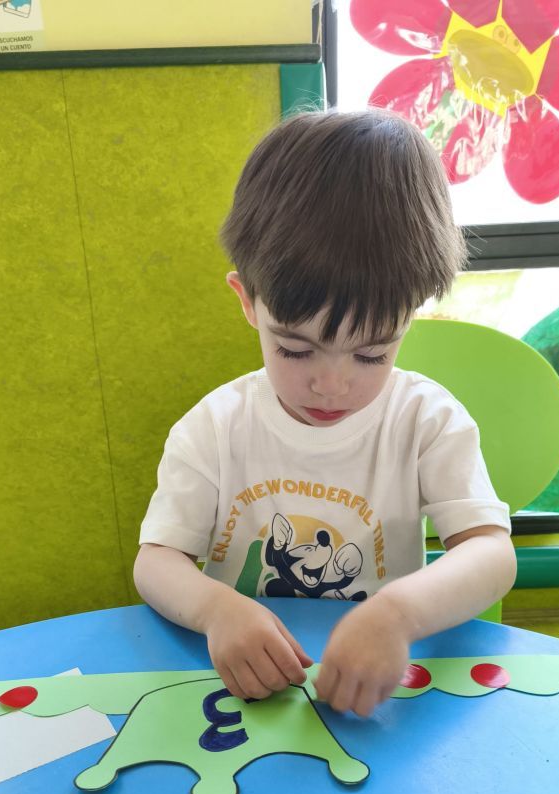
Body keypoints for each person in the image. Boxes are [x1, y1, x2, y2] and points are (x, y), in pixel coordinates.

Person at [134, 109, 516, 717]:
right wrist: (216, 609)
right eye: (295, 348)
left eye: (372, 354)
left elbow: (491, 554)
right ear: (247, 301)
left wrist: (398, 614)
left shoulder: (425, 420)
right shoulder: (215, 426)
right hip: (244, 689)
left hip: (374, 691)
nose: (332, 385)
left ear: (411, 314)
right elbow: (156, 560)